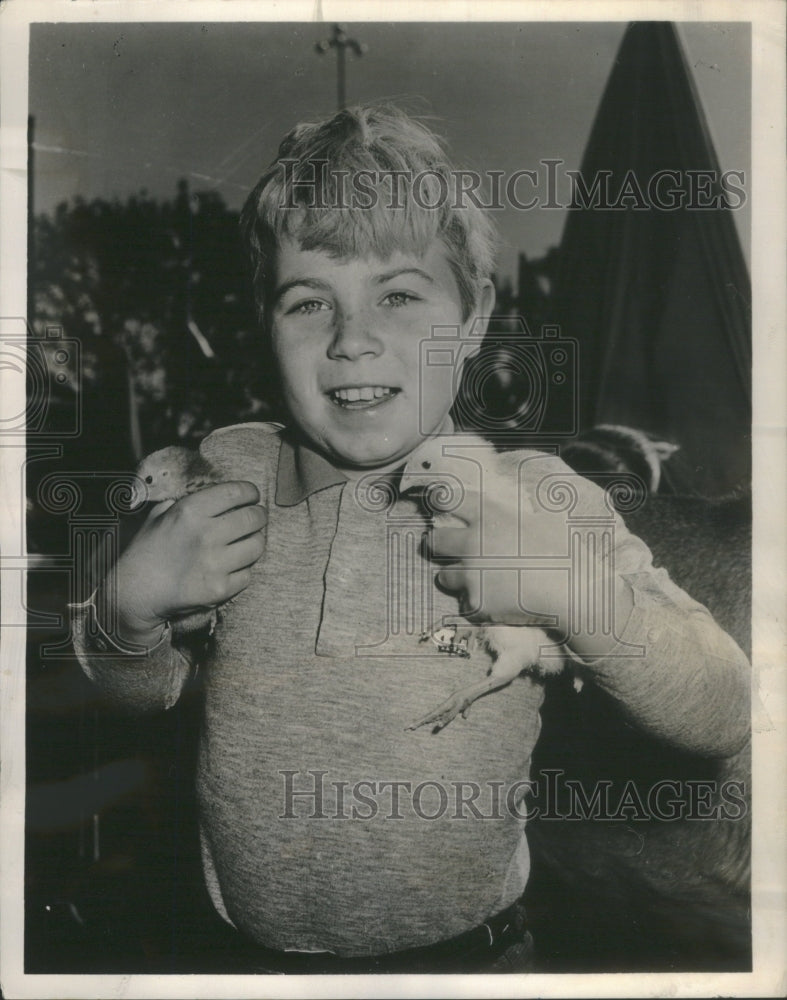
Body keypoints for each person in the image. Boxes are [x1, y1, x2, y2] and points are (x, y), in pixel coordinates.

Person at [72, 104, 750, 974]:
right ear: (263, 324)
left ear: (472, 320)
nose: (352, 340)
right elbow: (135, 690)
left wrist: (575, 592)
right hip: (238, 963)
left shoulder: (532, 500)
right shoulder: (223, 479)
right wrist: (128, 610)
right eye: (309, 301)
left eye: (397, 294)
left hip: (470, 964)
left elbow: (723, 709)